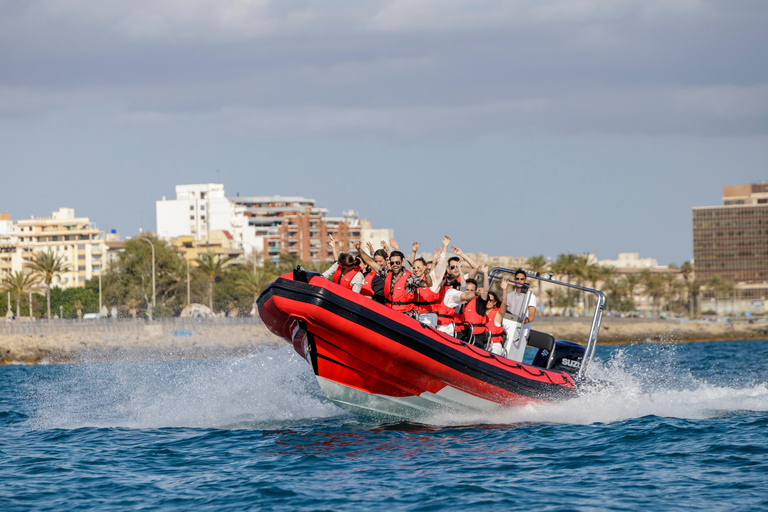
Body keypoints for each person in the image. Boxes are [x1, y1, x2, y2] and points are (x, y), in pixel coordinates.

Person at [506, 268, 537, 341]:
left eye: (522, 279)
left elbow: (531, 317)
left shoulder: (530, 296)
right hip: (507, 330)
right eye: (517, 279)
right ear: (514, 280)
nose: (519, 281)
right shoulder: (508, 295)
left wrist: (519, 323)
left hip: (521, 333)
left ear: (525, 280)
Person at [486, 277, 510, 355]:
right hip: (483, 343)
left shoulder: (498, 314)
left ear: (495, 302)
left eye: (491, 300)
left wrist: (504, 289)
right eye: (487, 300)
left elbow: (503, 303)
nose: (488, 302)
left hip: (494, 345)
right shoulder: (480, 312)